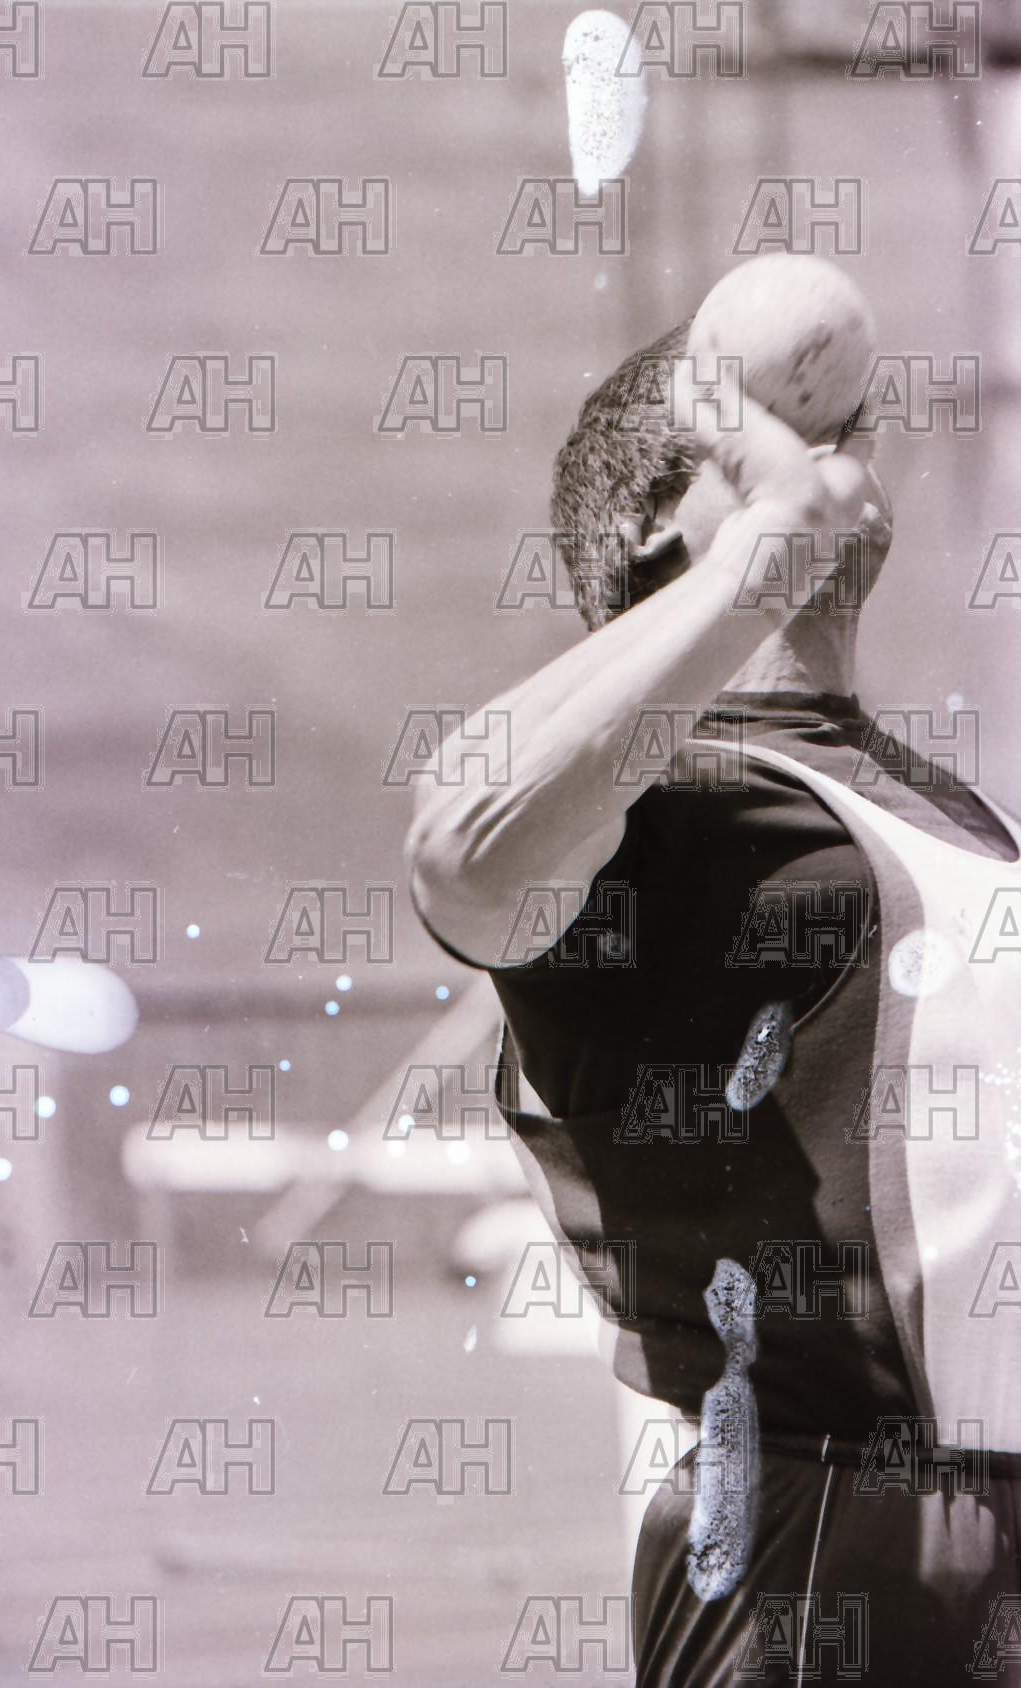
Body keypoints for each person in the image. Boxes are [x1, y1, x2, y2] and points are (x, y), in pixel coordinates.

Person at [405, 318, 1021, 1684]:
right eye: (785, 440)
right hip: (823, 1542)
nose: (837, 471)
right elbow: (458, 851)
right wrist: (758, 564)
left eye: (845, 436)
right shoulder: (657, 812)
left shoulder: (951, 811)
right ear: (650, 526)